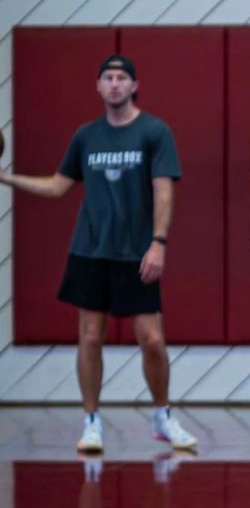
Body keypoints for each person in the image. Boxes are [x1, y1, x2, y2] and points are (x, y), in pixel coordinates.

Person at [0, 54, 197, 454]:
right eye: (107, 77)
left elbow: (164, 190)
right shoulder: (85, 136)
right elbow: (58, 186)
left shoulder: (154, 132)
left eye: (121, 77)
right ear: (98, 87)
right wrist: (4, 177)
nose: (114, 84)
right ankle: (92, 422)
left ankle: (162, 416)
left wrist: (158, 243)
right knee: (89, 338)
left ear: (134, 85)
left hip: (137, 252)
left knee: (152, 339)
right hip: (90, 250)